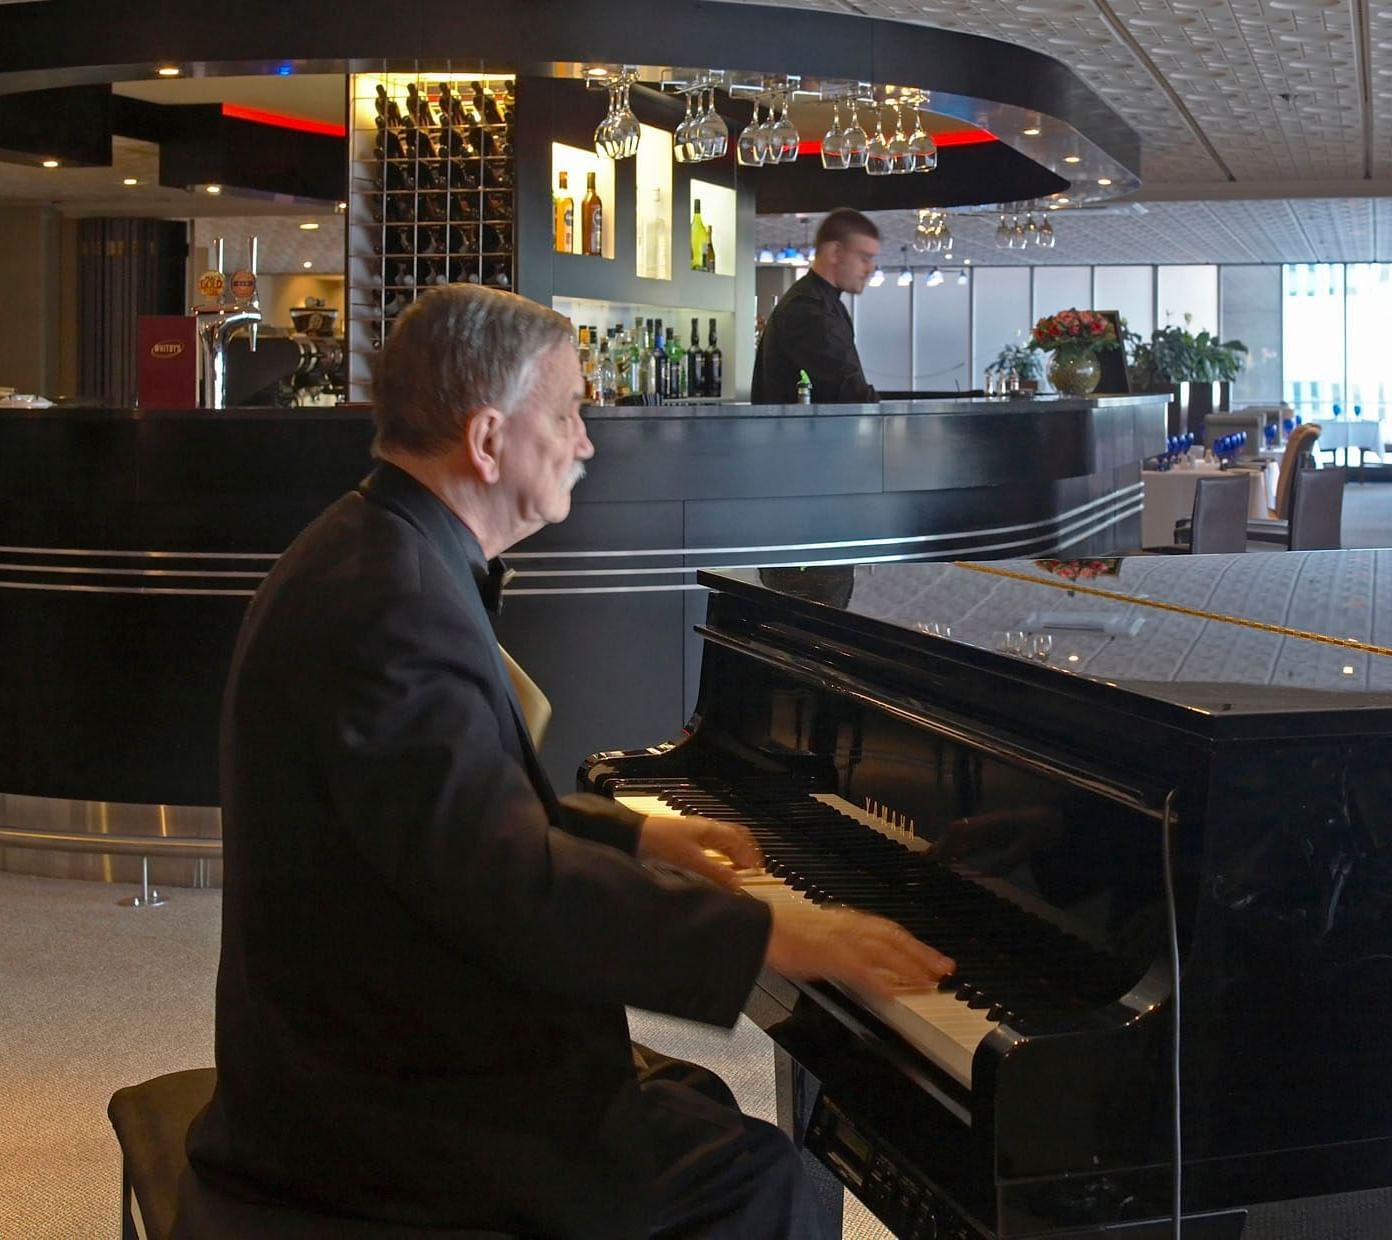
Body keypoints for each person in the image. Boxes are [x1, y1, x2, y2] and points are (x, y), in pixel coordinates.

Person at [186, 285, 952, 1238]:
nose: (586, 441)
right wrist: (771, 937)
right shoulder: (393, 602)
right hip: (372, 1106)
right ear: (488, 438)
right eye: (567, 413)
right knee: (760, 1179)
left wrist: (638, 836)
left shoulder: (382, 548)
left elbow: (450, 817)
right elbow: (505, 884)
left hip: (360, 1030)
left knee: (700, 1107)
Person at [751, 208, 881, 404]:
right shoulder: (807, 310)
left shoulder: (825, 305)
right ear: (835, 252)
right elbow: (850, 395)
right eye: (864, 258)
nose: (870, 268)